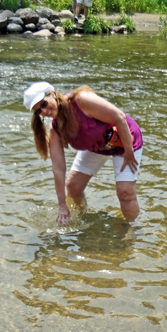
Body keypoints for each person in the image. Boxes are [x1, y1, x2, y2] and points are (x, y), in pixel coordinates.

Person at [23, 81, 143, 224]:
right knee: (73, 187)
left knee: (125, 193)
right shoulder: (55, 129)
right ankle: (83, 218)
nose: (43, 111)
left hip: (125, 139)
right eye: (38, 110)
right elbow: (58, 168)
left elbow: (119, 117)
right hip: (97, 145)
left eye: (43, 104)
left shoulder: (81, 100)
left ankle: (132, 229)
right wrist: (62, 205)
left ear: (53, 94)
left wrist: (129, 153)